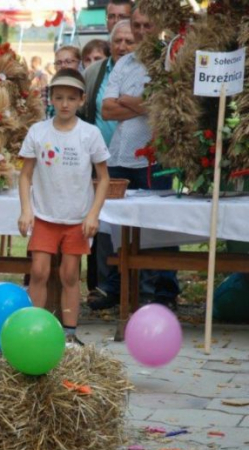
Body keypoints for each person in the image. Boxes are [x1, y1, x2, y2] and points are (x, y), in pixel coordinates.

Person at [90, 5, 180, 311]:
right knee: (116, 224)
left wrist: (130, 102)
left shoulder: (169, 59)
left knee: (161, 224)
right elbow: (106, 109)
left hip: (156, 156)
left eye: (147, 25)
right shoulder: (124, 63)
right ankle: (115, 286)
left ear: (158, 26)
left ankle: (164, 290)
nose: (141, 31)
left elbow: (167, 103)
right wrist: (144, 103)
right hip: (120, 155)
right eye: (137, 25)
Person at [17, 69, 110, 348]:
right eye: (59, 98)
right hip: (45, 216)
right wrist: (26, 210)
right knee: (39, 271)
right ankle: (31, 329)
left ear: (81, 100)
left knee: (70, 274)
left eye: (71, 98)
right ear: (51, 100)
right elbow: (24, 175)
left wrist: (93, 213)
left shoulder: (90, 134)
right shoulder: (38, 131)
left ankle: (70, 334)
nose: (65, 104)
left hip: (76, 218)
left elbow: (103, 178)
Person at [81, 20, 134, 292]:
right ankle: (106, 287)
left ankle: (142, 288)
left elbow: (153, 106)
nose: (122, 47)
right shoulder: (95, 72)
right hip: (102, 162)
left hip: (138, 159)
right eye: (117, 41)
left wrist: (121, 105)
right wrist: (135, 106)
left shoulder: (143, 69)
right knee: (103, 225)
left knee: (138, 225)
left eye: (129, 41)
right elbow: (101, 110)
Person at [46, 46, 82, 119]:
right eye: (59, 63)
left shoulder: (87, 88)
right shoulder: (46, 90)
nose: (63, 66)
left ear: (79, 63)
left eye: (68, 62)